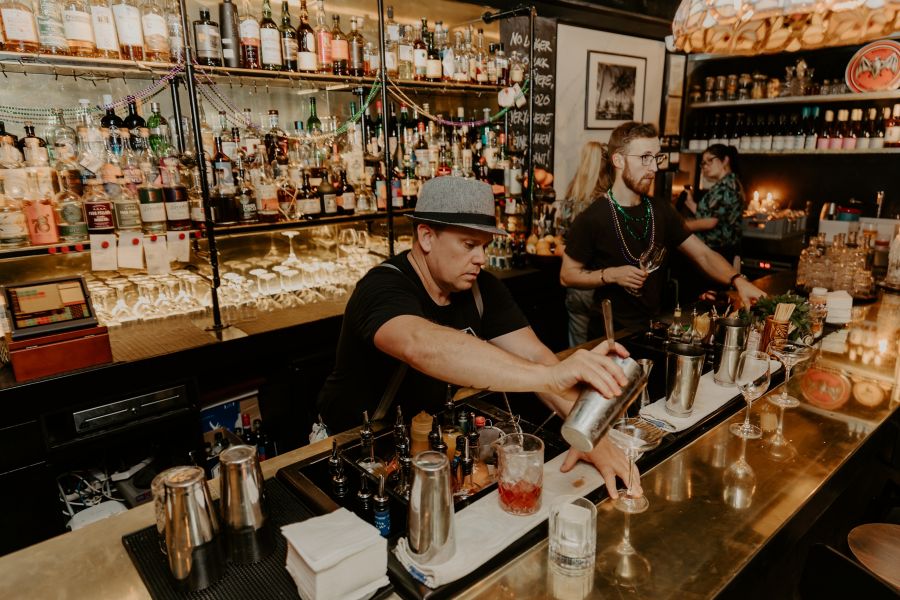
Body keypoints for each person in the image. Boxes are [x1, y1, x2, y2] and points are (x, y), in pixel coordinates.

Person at [318, 176, 639, 496]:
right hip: (352, 452)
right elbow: (422, 346)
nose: (481, 259)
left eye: (484, 246)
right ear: (427, 237)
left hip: (422, 444)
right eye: (469, 245)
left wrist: (591, 435)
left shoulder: (481, 288)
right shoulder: (382, 288)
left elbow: (535, 356)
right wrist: (551, 375)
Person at [560, 122, 764, 336]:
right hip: (609, 335)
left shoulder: (661, 210)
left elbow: (703, 255)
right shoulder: (593, 217)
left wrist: (738, 280)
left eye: (656, 158)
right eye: (645, 158)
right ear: (618, 160)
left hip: (650, 329)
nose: (654, 168)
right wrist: (609, 275)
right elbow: (567, 275)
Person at [555, 141, 611, 347]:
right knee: (605, 343)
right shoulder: (610, 196)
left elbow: (561, 234)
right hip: (602, 280)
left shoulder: (573, 192)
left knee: (578, 347)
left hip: (577, 281)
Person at [683, 144, 744, 263]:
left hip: (719, 252)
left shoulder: (726, 187)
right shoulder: (723, 185)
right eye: (703, 163)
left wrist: (680, 227)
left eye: (709, 160)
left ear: (725, 160)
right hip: (717, 251)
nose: (705, 166)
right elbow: (711, 215)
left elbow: (710, 222)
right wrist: (690, 203)